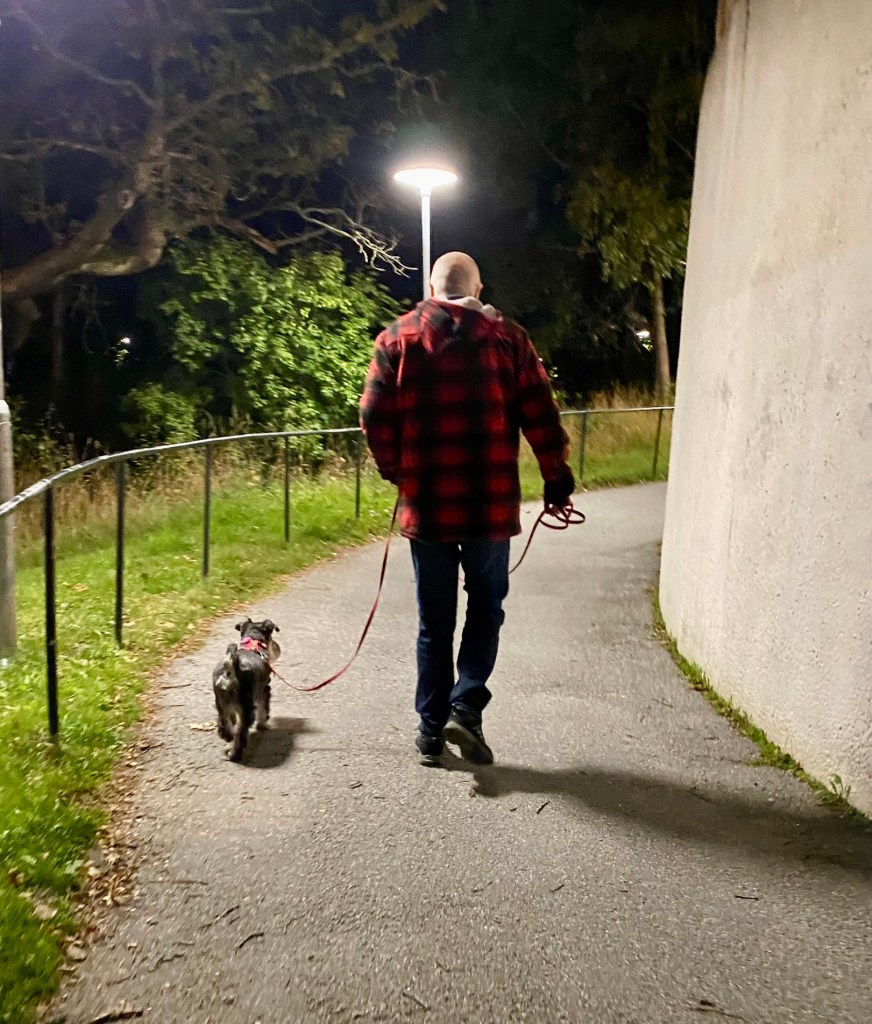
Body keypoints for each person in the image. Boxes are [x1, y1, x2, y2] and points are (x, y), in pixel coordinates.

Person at [360, 252, 574, 767]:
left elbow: (372, 415)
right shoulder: (509, 339)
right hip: (489, 506)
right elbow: (540, 415)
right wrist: (556, 477)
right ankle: (466, 707)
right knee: (486, 608)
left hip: (427, 508)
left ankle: (430, 731)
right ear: (478, 289)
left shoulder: (396, 339)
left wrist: (397, 471)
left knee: (434, 622)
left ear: (432, 289)